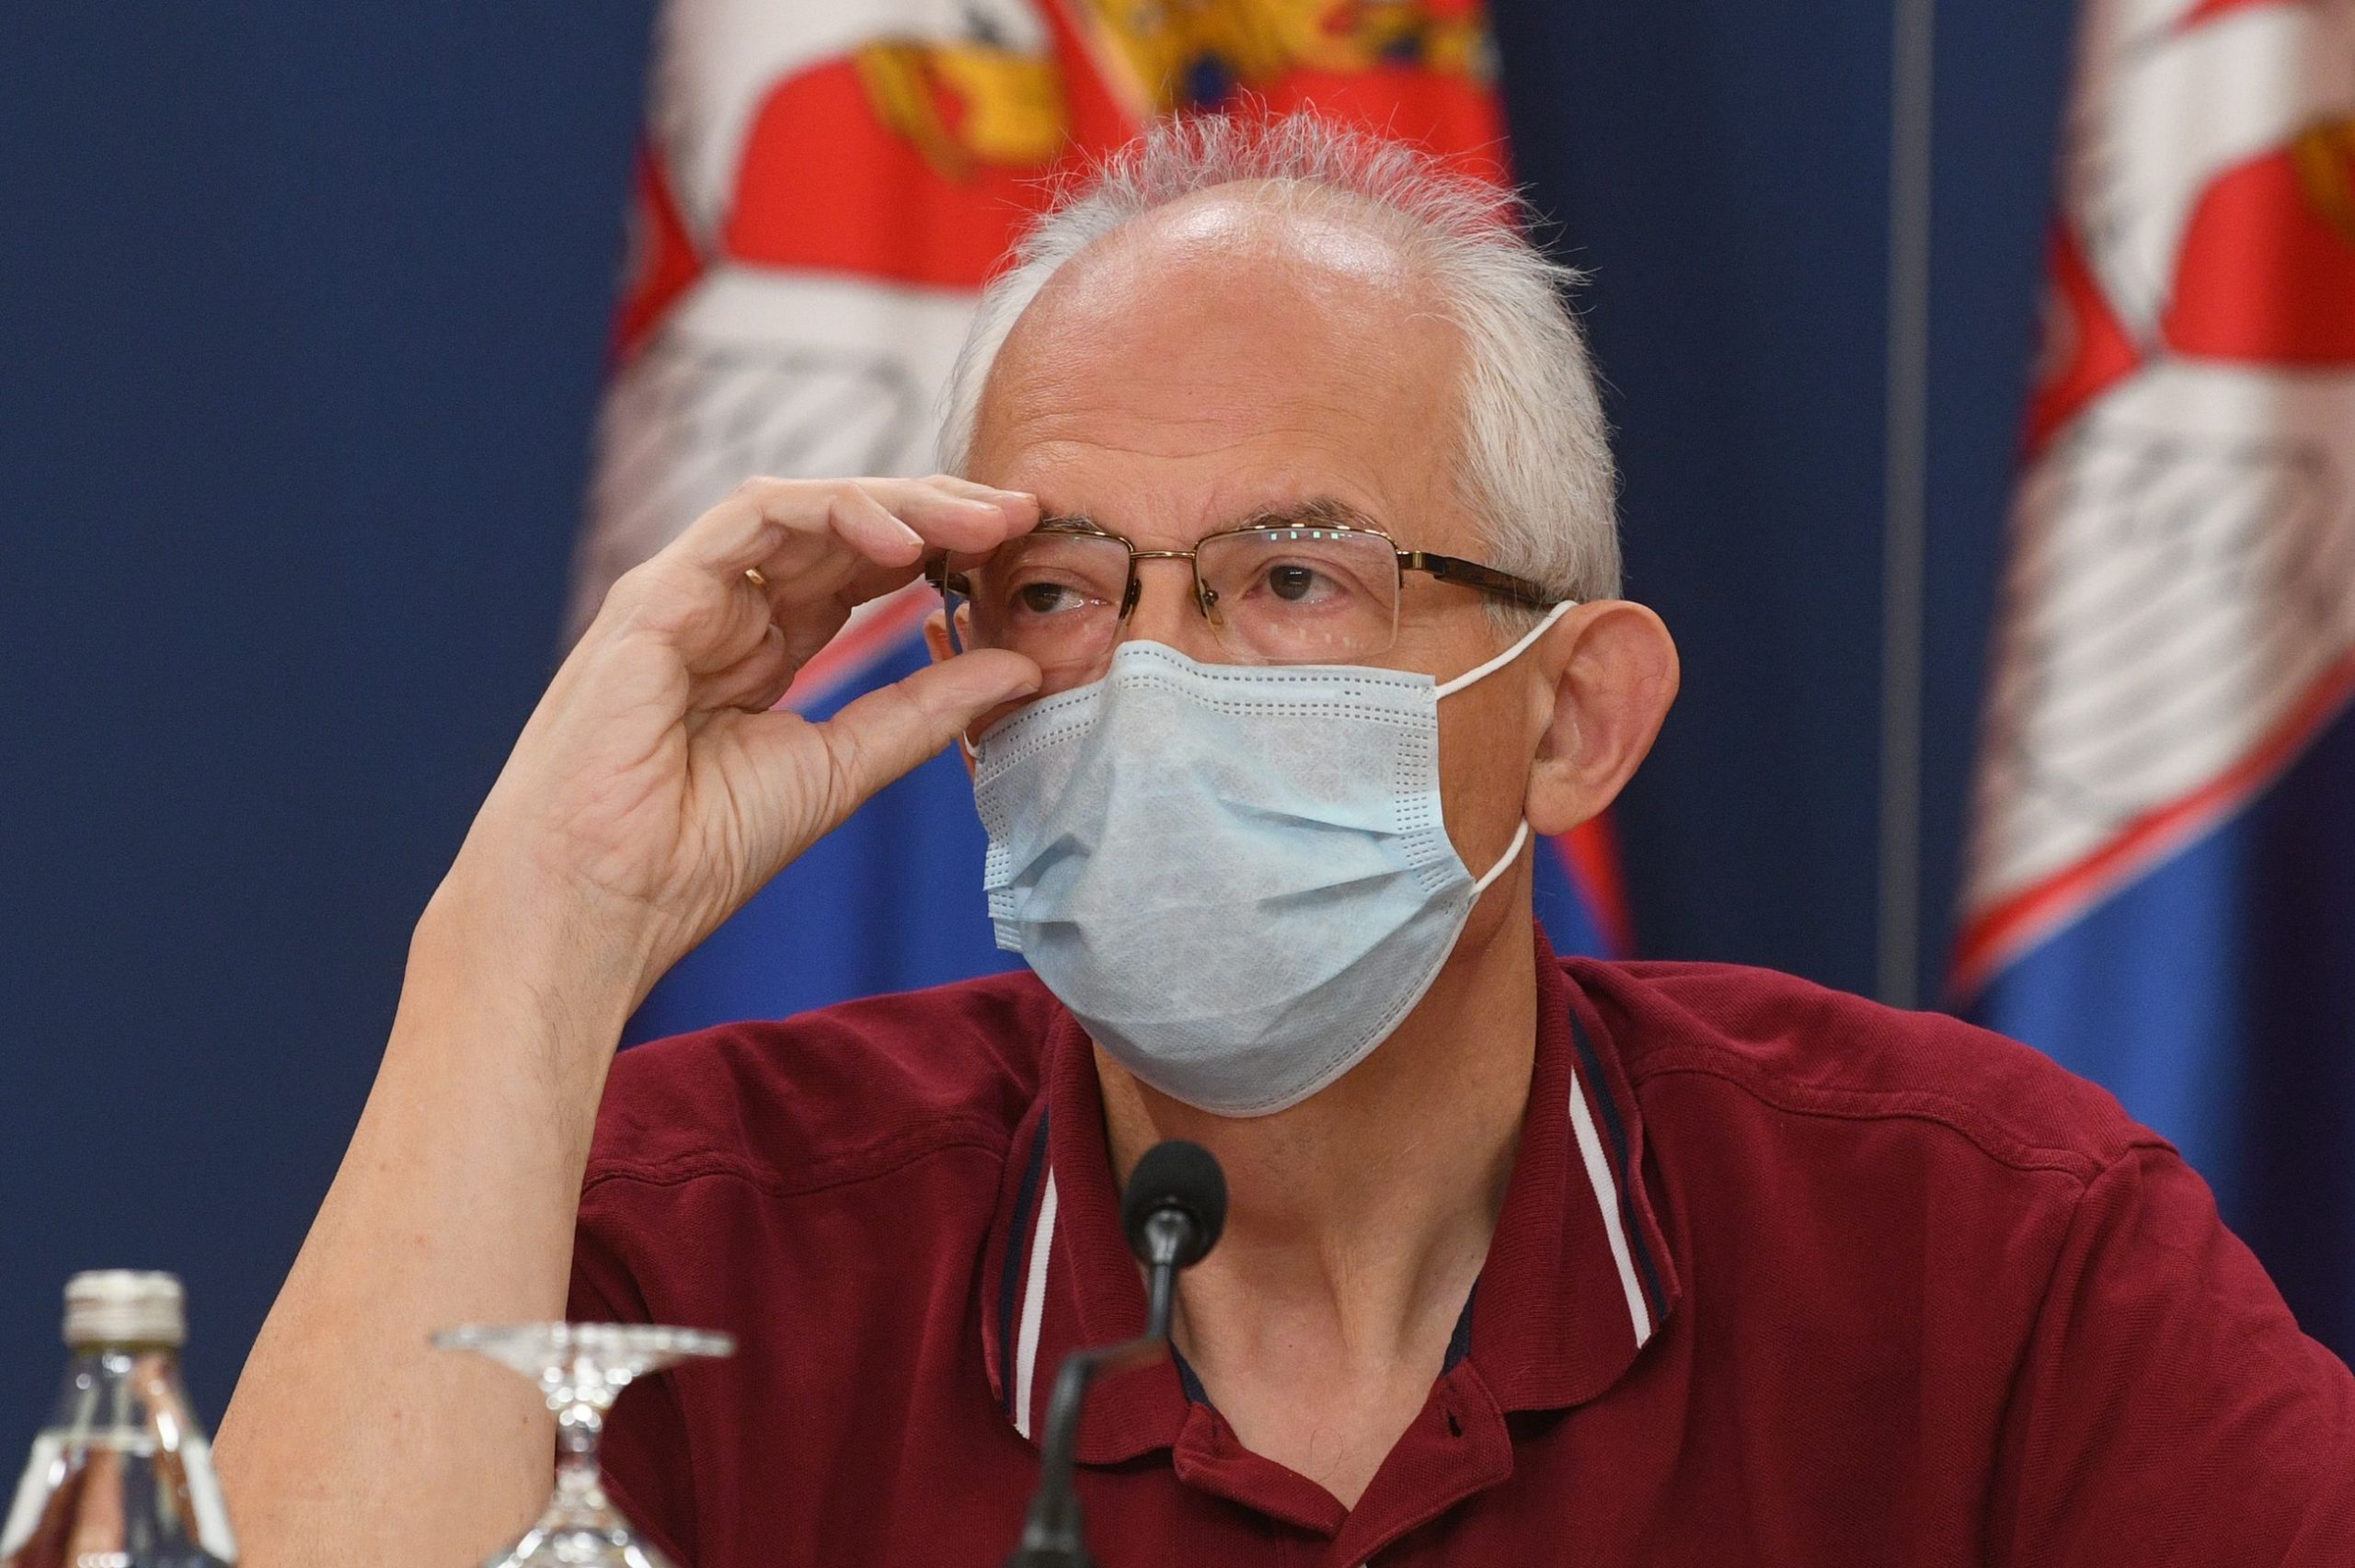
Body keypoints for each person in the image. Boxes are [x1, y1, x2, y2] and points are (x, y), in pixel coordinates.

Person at [214, 112, 2355, 1566]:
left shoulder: (1980, 1254)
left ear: (1571, 717)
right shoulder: (695, 1244)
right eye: (1060, 588)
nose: (1149, 677)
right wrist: (531, 932)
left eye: (1290, 576)